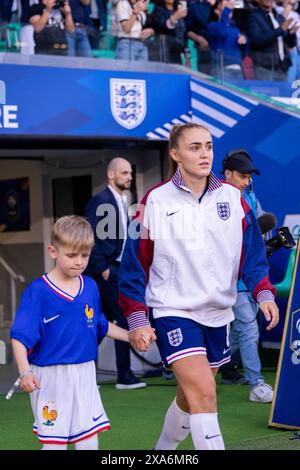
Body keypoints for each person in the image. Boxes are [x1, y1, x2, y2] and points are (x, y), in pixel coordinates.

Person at [118, 123, 279, 450]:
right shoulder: (156, 201)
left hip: (219, 313)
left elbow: (252, 254)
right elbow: (134, 265)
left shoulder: (234, 198)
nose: (204, 153)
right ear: (175, 154)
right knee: (204, 390)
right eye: (194, 147)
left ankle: (161, 453)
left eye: (208, 146)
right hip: (174, 311)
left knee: (190, 397)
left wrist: (263, 292)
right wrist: (137, 319)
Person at [10, 216, 148, 450]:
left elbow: (100, 324)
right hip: (50, 378)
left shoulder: (91, 287)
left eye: (85, 256)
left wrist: (130, 335)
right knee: (55, 445)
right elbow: (19, 337)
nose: (79, 262)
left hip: (85, 373)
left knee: (89, 442)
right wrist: (24, 373)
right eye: (71, 255)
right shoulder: (38, 291)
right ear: (53, 251)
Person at [85, 157, 147, 390]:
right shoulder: (99, 201)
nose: (129, 177)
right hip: (109, 272)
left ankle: (104, 374)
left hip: (121, 270)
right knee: (116, 322)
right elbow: (89, 237)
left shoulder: (125, 201)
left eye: (130, 173)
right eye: (124, 173)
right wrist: (103, 269)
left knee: (107, 323)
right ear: (111, 175)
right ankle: (123, 375)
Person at [220, 149, 274, 402]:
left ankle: (204, 360)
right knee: (250, 331)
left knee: (238, 335)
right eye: (242, 176)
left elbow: (262, 231)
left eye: (249, 176)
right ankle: (257, 384)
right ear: (228, 174)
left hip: (251, 280)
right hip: (230, 281)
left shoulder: (251, 197)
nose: (246, 181)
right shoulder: (215, 199)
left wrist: (270, 242)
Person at [246, 0, 298, 80]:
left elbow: (291, 44)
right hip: (264, 68)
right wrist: (280, 30)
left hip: (282, 67)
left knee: (283, 92)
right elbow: (256, 41)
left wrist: (291, 34)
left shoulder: (278, 16)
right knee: (264, 92)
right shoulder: (253, 16)